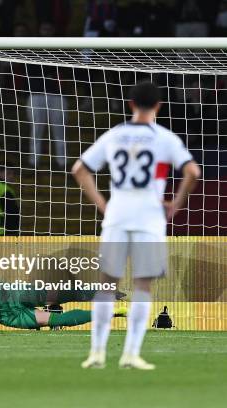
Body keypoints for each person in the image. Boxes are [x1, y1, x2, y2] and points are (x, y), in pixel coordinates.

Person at [72, 81, 200, 370]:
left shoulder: (115, 135)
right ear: (158, 106)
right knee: (143, 285)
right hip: (149, 216)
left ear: (130, 104)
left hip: (117, 214)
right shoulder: (164, 138)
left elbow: (79, 169)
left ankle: (97, 353)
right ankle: (131, 353)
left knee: (106, 285)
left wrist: (104, 205)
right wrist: (176, 203)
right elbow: (193, 171)